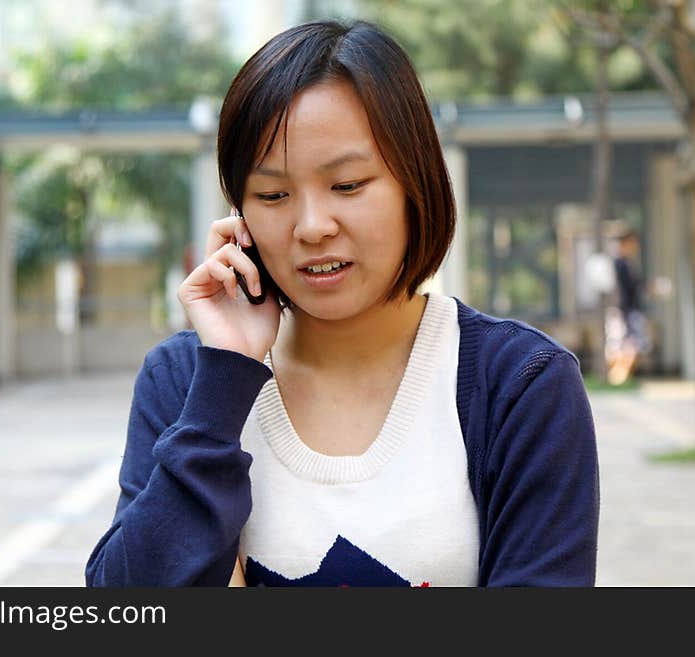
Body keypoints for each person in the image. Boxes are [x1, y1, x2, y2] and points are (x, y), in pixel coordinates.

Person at [85, 19, 599, 587]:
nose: (312, 227)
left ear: (415, 183)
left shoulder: (521, 385)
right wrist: (225, 382)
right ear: (239, 218)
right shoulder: (186, 381)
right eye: (273, 195)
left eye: (348, 185)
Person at [606, 230, 651, 385]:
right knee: (626, 345)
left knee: (629, 345)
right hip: (624, 310)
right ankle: (617, 377)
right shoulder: (619, 263)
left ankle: (620, 378)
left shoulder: (625, 263)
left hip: (627, 309)